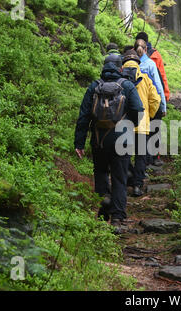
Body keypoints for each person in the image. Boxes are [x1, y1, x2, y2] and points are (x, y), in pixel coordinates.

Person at [74, 54, 144, 231]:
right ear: (121, 68)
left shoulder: (94, 86)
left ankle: (104, 200)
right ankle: (117, 218)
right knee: (120, 178)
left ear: (104, 67)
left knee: (101, 172)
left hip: (99, 139)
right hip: (122, 139)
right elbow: (138, 109)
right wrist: (131, 125)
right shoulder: (127, 86)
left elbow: (83, 116)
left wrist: (79, 143)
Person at [122, 49, 161, 197]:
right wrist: (149, 115)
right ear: (138, 63)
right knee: (140, 155)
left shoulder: (119, 80)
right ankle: (137, 186)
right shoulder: (145, 78)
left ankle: (128, 180)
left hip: (124, 125)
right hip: (142, 124)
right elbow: (155, 99)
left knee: (124, 155)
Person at [134, 39, 166, 167]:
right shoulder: (150, 64)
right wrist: (163, 105)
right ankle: (151, 159)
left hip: (135, 104)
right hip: (150, 103)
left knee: (139, 135)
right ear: (146, 49)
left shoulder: (130, 64)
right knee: (153, 130)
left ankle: (141, 165)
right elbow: (158, 85)